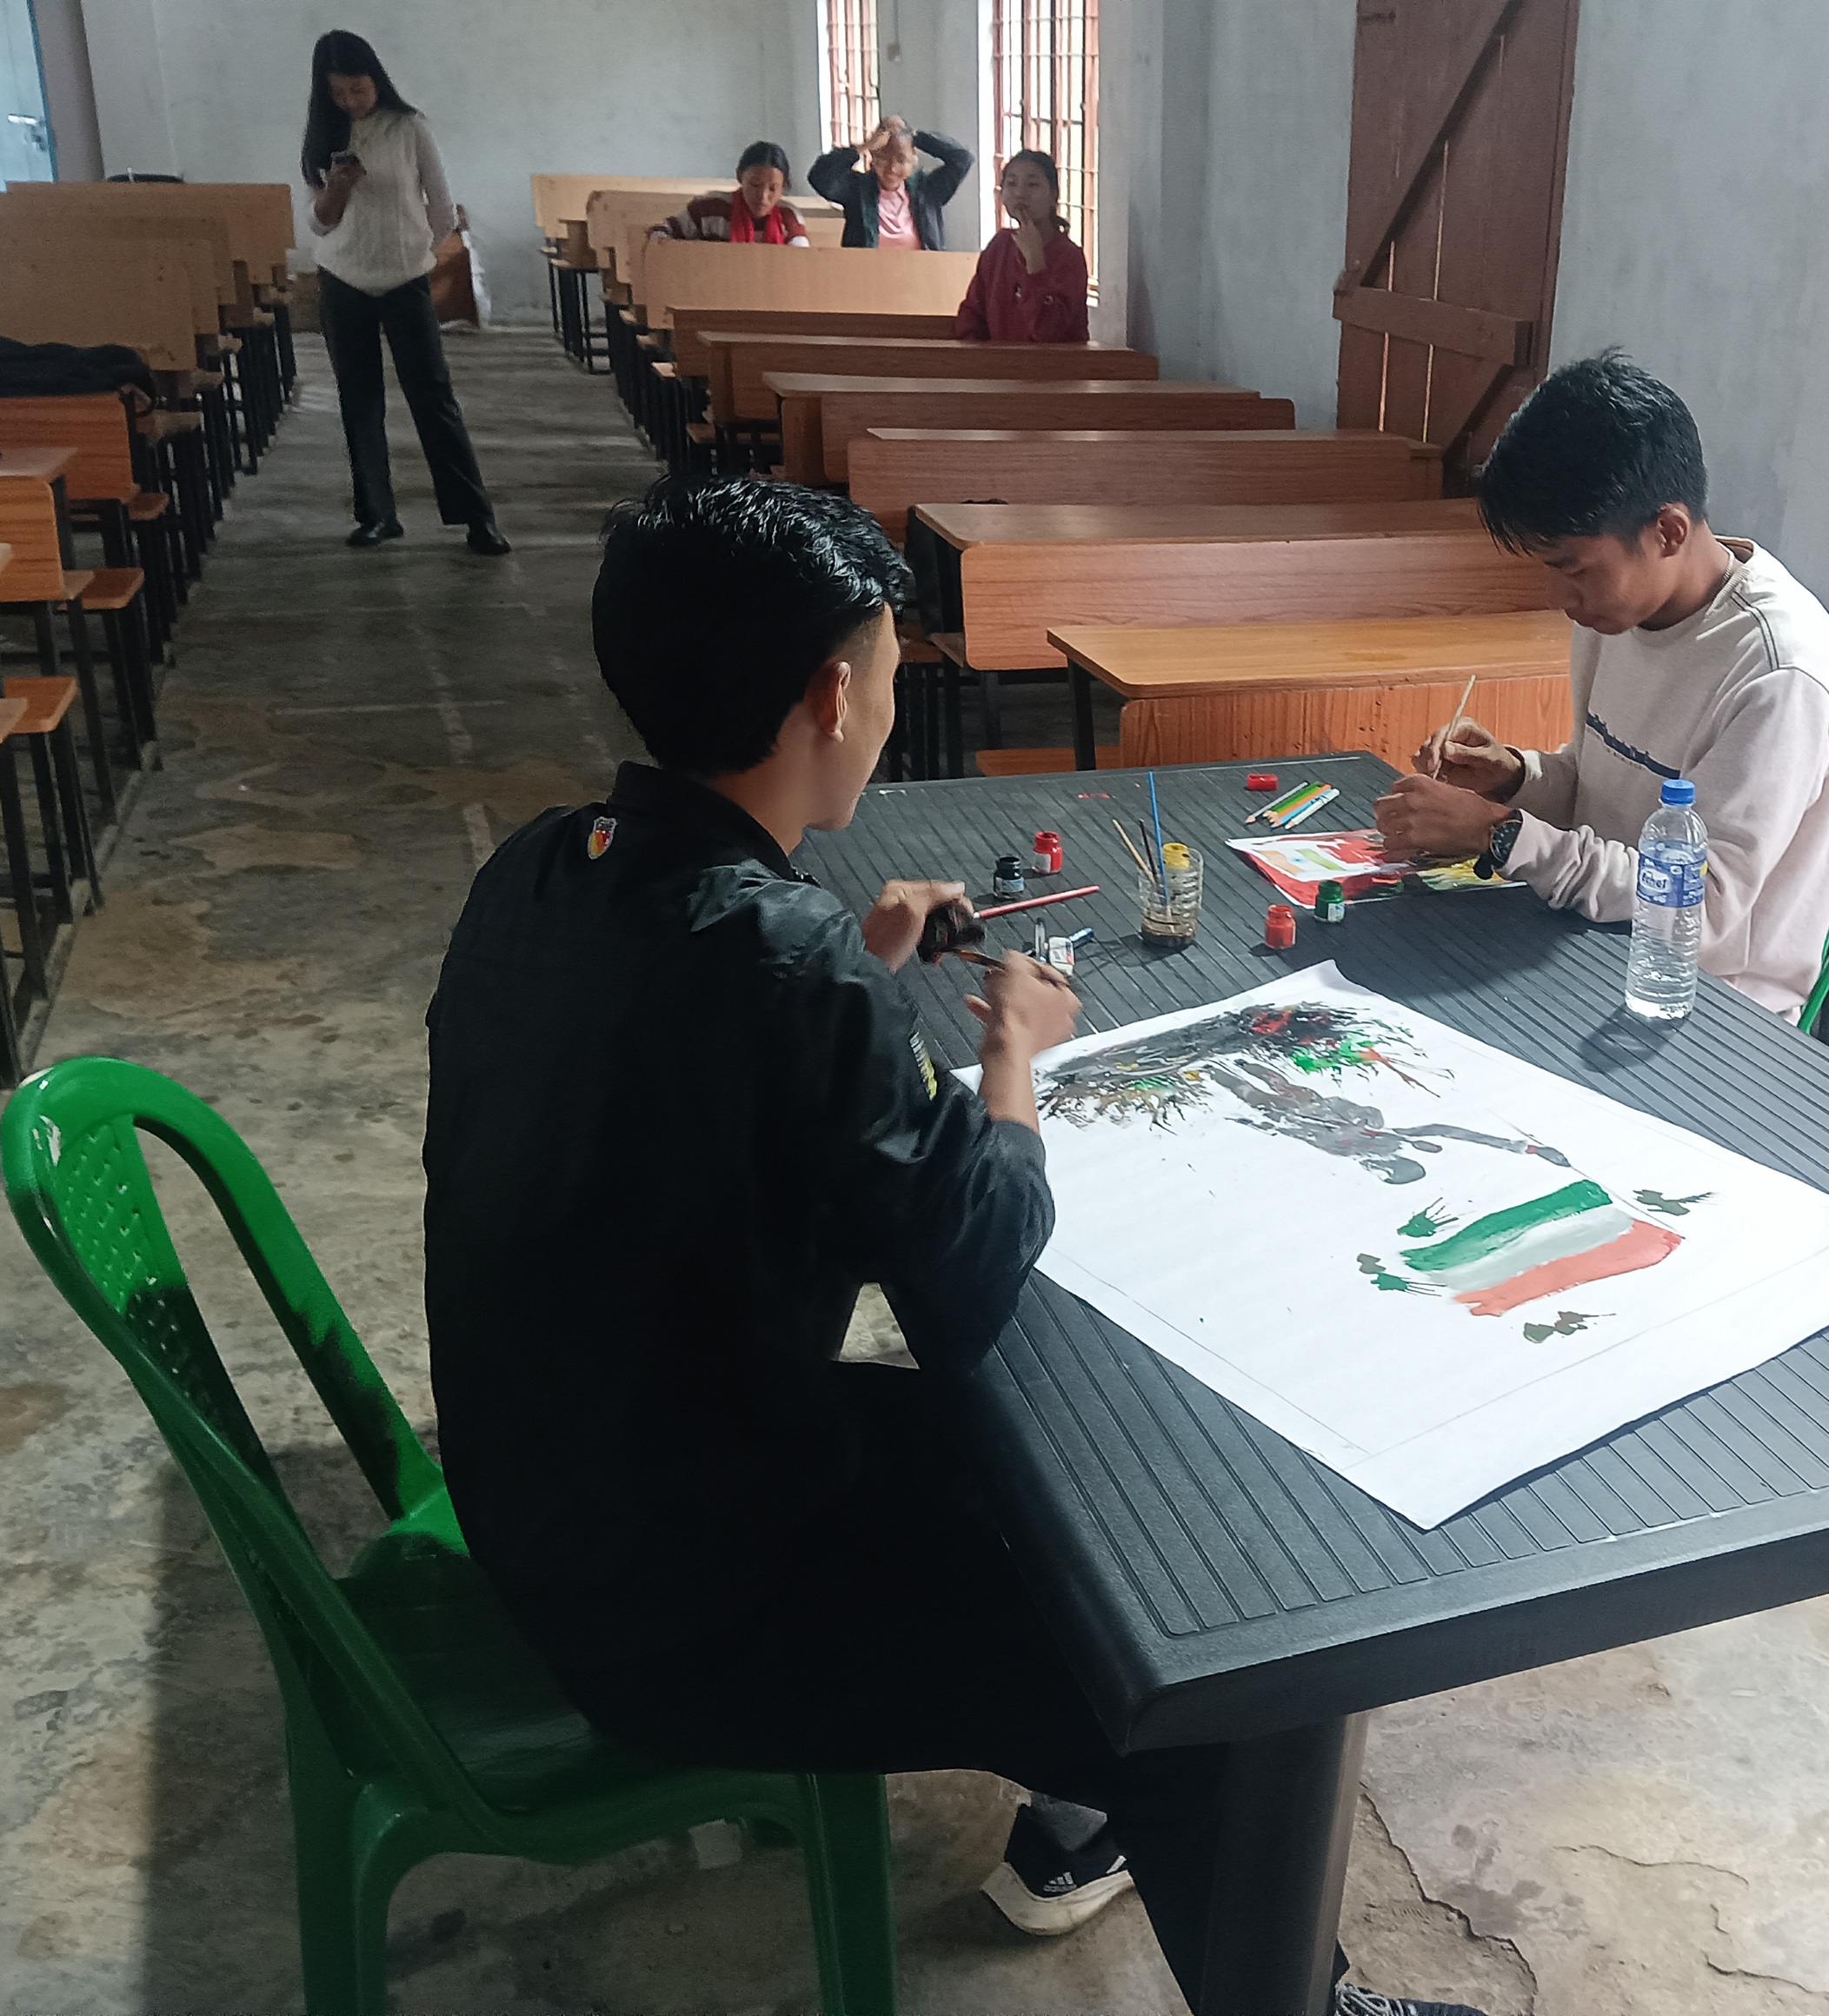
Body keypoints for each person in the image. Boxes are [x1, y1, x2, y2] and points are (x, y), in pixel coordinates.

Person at [422, 475, 1486, 2016]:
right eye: (882, 668)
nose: (885, 700)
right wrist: (1011, 1055)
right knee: (1221, 1684)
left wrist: (854, 969)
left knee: (1103, 1503)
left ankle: (1091, 1788)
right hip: (681, 1602)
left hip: (559, 1480)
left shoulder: (543, 860)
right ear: (828, 694)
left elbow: (673, 1056)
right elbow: (974, 1262)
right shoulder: (786, 970)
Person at [1373, 353, 1829, 1021]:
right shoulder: (1619, 609)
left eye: (1573, 568)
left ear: (1668, 532)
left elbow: (1701, 913)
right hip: (1593, 943)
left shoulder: (1778, 674)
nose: (1560, 597)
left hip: (1709, 1005)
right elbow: (1597, 796)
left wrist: (1502, 835)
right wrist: (1515, 778)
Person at [299, 30, 508, 555]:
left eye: (359, 89)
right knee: (359, 400)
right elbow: (320, 224)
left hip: (405, 280)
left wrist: (416, 254)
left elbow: (441, 206)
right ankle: (377, 515)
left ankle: (476, 517)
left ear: (377, 79)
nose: (351, 101)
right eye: (339, 93)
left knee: (433, 397)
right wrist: (338, 187)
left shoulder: (410, 127)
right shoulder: (323, 133)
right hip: (343, 281)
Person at [954, 149, 1088, 344]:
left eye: (1032, 185)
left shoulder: (1068, 256)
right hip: (999, 361)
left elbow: (1049, 332)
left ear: (1053, 196)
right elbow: (973, 314)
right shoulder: (1000, 245)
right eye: (1011, 183)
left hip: (1054, 363)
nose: (1020, 194)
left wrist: (1035, 264)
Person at [806, 115, 972, 249]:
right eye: (883, 158)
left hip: (922, 274)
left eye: (901, 160)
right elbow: (819, 177)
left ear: (912, 161)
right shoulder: (857, 190)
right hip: (866, 275)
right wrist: (864, 147)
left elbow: (962, 159)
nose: (891, 169)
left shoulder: (928, 190)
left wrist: (916, 137)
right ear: (873, 159)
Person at [646, 142, 811, 244]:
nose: (763, 196)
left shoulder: (788, 218)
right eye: (755, 185)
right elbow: (660, 233)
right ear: (739, 176)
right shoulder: (710, 209)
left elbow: (799, 259)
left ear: (783, 187)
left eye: (773, 188)